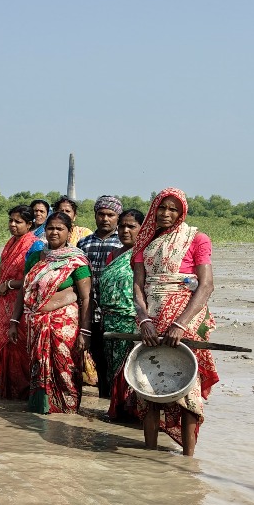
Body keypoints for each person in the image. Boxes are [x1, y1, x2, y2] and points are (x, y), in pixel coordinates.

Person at [133, 188, 219, 457]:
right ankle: (149, 454)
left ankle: (188, 462)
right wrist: (144, 319)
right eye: (162, 207)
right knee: (148, 383)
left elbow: (206, 287)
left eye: (173, 209)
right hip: (152, 318)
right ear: (153, 209)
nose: (166, 214)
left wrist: (180, 324)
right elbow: (138, 287)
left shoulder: (197, 239)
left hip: (186, 318)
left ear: (182, 213)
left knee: (186, 388)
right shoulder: (145, 242)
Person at [12, 212, 92, 414]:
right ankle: (41, 408)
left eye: (59, 228)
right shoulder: (36, 257)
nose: (54, 232)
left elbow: (86, 298)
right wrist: (14, 320)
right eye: (50, 228)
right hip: (36, 323)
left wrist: (85, 332)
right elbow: (24, 289)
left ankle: (67, 411)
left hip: (64, 326)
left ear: (69, 232)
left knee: (65, 366)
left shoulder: (76, 261)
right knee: (38, 364)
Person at [77, 194, 126, 397]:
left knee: (118, 359)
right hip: (90, 311)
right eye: (101, 214)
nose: (105, 219)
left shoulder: (123, 242)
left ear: (118, 217)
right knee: (97, 357)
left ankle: (115, 400)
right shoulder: (84, 243)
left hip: (115, 311)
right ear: (95, 215)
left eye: (110, 215)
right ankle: (105, 399)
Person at [0, 205, 40, 400]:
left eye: (18, 221)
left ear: (29, 224)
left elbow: (35, 278)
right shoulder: (10, 243)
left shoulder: (35, 245)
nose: (13, 224)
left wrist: (10, 284)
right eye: (11, 220)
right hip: (4, 304)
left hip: (23, 305)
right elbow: (2, 275)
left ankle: (23, 394)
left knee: (20, 348)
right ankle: (8, 395)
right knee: (7, 349)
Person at [101, 209, 144, 422]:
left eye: (131, 226)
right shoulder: (114, 254)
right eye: (122, 226)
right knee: (113, 370)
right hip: (109, 320)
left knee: (128, 369)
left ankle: (132, 413)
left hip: (131, 321)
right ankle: (117, 410)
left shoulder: (143, 253)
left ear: (142, 229)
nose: (125, 230)